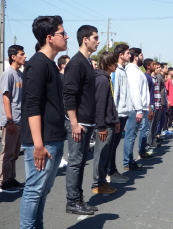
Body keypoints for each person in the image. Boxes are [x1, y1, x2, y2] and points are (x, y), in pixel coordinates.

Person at [20, 15, 68, 228]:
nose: (66, 37)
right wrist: (38, 144)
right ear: (49, 37)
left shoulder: (50, 64)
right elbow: (32, 105)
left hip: (54, 138)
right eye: (62, 33)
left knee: (43, 191)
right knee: (34, 190)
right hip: (42, 142)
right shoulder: (37, 64)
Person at [63, 25, 100, 215]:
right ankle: (72, 202)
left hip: (87, 122)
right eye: (95, 37)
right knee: (75, 163)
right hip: (78, 123)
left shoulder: (86, 62)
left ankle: (79, 199)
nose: (98, 41)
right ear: (85, 39)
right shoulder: (76, 63)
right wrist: (74, 123)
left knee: (80, 162)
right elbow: (69, 95)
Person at [92, 52, 120, 194]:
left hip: (110, 122)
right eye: (114, 62)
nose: (117, 64)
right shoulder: (102, 80)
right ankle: (98, 184)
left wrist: (115, 119)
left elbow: (110, 103)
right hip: (104, 125)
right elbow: (100, 105)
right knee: (101, 155)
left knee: (106, 155)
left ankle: (102, 182)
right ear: (108, 63)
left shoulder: (106, 78)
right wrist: (101, 126)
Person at [0, 45, 26, 192]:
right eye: (22, 54)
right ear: (13, 57)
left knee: (15, 152)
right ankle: (3, 180)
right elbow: (5, 98)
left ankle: (11, 178)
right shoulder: (8, 74)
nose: (25, 56)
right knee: (8, 151)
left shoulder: (20, 74)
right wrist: (9, 121)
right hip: (11, 120)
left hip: (19, 119)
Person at [123, 47, 152, 171]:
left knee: (132, 135)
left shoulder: (136, 70)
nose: (142, 58)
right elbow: (135, 92)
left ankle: (129, 161)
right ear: (136, 57)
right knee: (130, 135)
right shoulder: (132, 71)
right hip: (135, 109)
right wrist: (139, 110)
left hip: (138, 108)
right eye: (141, 55)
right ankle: (128, 162)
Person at [107, 44, 132, 183]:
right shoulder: (116, 70)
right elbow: (114, 94)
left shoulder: (123, 70)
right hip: (118, 114)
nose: (129, 56)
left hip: (123, 113)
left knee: (115, 145)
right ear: (120, 54)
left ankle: (113, 170)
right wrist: (115, 116)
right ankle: (110, 173)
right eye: (127, 53)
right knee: (112, 145)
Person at [144, 59, 161, 154]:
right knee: (147, 129)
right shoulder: (146, 77)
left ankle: (149, 145)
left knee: (151, 128)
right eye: (153, 64)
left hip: (154, 105)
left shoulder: (151, 77)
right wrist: (149, 108)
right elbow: (146, 94)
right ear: (148, 66)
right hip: (150, 105)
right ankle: (147, 148)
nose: (155, 66)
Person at [57, 54, 70, 168]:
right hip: (61, 110)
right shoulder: (59, 77)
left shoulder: (67, 77)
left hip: (67, 110)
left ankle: (64, 157)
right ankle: (60, 159)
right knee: (60, 135)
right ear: (63, 65)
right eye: (68, 63)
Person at [157, 62, 172, 137]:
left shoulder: (162, 77)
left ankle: (158, 135)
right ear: (162, 69)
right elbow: (157, 91)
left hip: (164, 102)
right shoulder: (159, 77)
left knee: (162, 120)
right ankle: (156, 136)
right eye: (166, 67)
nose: (167, 69)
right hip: (160, 103)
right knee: (159, 121)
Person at [162, 67, 173, 135]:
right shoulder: (168, 80)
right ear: (170, 72)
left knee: (169, 115)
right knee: (166, 116)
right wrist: (168, 100)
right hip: (169, 101)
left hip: (171, 101)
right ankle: (164, 129)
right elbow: (165, 91)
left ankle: (166, 129)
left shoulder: (170, 80)